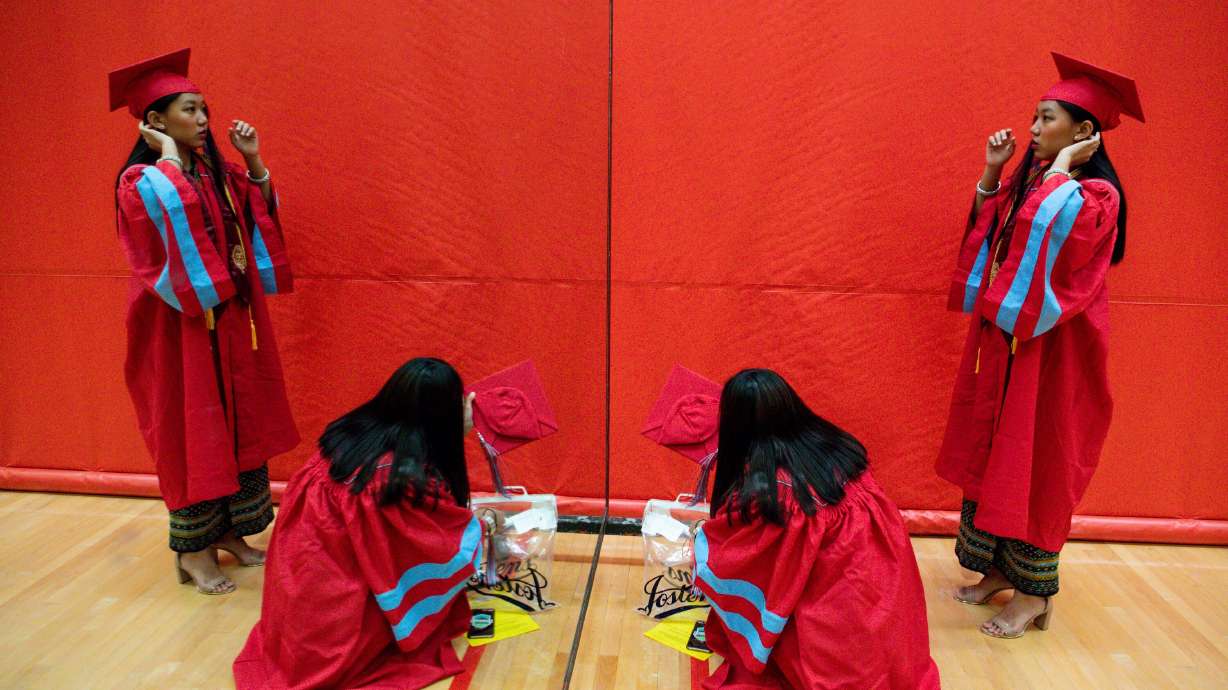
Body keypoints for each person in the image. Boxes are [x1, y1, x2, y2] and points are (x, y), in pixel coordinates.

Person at [936, 53, 1144, 638]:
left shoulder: (1096, 194)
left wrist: (1060, 172)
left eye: (1046, 118)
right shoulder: (1039, 182)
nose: (1032, 128)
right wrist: (993, 171)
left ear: (1084, 131)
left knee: (1039, 455)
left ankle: (1033, 593)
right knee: (999, 448)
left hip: (1056, 349)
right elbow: (996, 227)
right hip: (1012, 343)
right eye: (1034, 116)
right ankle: (1000, 569)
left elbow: (1055, 238)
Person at [109, 48, 298, 594]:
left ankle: (231, 532)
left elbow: (254, 209)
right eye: (189, 110)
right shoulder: (143, 180)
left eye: (203, 109)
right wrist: (168, 155)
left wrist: (254, 161)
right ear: (155, 120)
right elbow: (164, 225)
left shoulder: (216, 173)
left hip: (229, 320)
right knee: (193, 427)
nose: (202, 119)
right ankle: (194, 549)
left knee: (235, 419)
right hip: (180, 324)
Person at [234, 358, 486, 689]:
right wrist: (483, 531)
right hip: (337, 619)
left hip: (299, 598)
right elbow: (436, 544)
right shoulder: (392, 478)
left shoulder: (348, 435)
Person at [693, 369, 939, 689]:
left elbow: (741, 561)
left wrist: (699, 543)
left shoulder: (775, 493)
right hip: (887, 607)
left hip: (836, 637)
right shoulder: (839, 448)